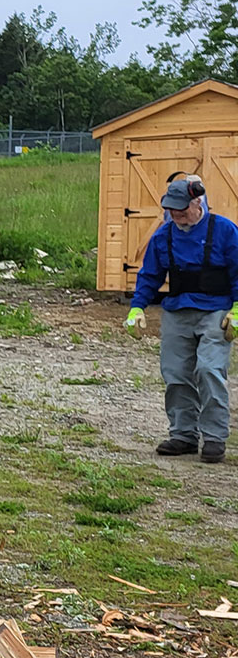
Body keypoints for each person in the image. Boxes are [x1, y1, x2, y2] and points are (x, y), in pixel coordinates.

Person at [125, 178, 238, 464]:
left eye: (181, 209)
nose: (176, 215)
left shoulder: (225, 231)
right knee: (175, 373)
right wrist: (137, 307)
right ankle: (184, 435)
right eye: (170, 209)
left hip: (216, 311)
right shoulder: (164, 236)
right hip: (177, 311)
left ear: (197, 203)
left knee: (209, 370)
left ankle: (213, 437)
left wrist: (237, 310)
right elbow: (150, 275)